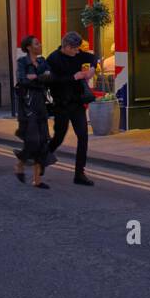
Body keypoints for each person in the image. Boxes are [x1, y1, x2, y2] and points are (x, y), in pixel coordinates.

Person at [45, 31, 97, 186]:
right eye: (75, 49)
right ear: (66, 46)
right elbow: (50, 81)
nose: (77, 52)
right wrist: (73, 77)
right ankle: (42, 159)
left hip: (77, 103)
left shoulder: (79, 54)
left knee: (83, 136)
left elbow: (93, 57)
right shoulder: (53, 59)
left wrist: (92, 69)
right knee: (58, 138)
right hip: (61, 104)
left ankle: (79, 174)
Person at [14, 35, 57, 189]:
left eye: (39, 43)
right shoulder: (22, 62)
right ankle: (19, 165)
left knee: (43, 141)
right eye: (37, 44)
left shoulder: (42, 61)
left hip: (41, 103)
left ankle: (37, 180)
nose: (40, 45)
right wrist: (40, 77)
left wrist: (35, 77)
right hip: (27, 105)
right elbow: (22, 80)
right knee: (33, 140)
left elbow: (50, 77)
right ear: (29, 47)